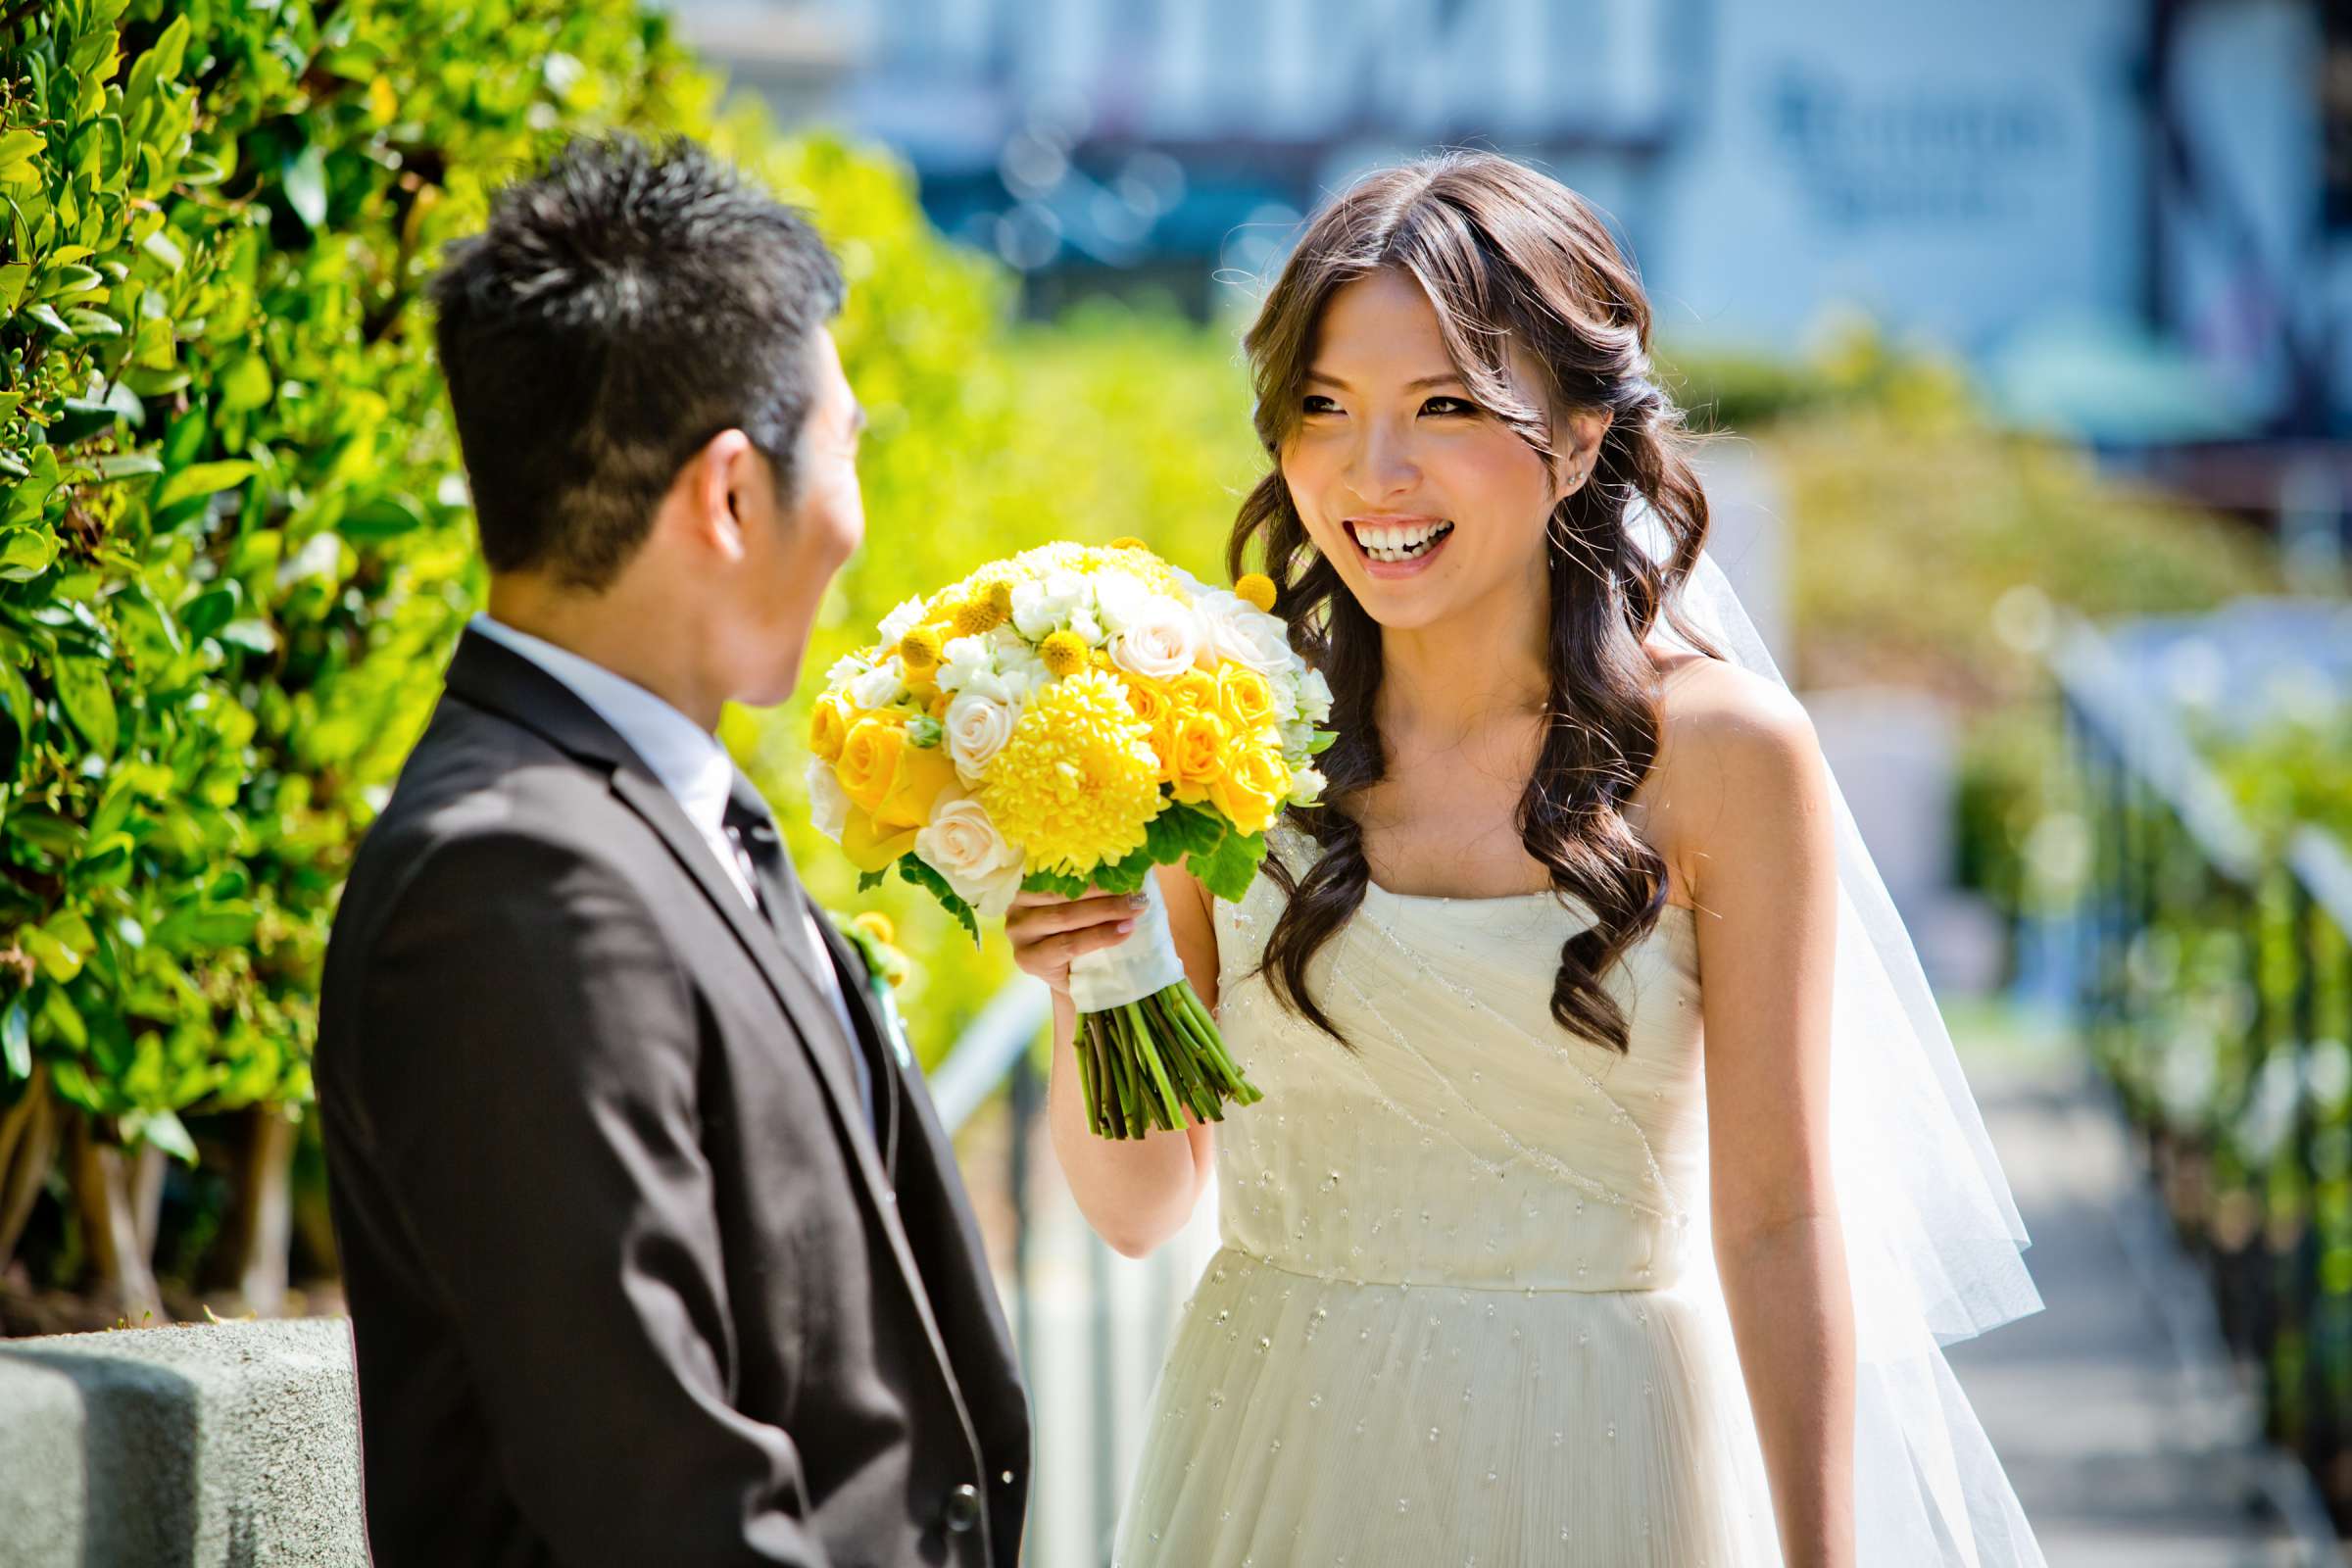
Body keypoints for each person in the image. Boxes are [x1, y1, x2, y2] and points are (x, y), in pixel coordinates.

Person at [1010, 152, 2046, 1565]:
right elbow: (1137, 1210)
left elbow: (1780, 1218)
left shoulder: (1728, 757)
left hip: (1606, 1452)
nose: (1374, 473)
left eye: (1443, 406)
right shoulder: (1211, 733)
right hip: (1272, 1451)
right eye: (1325, 409)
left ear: (1572, 437)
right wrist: (1100, 968)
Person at [316, 134, 1028, 1568]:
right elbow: (665, 1503)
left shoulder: (647, 821)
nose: (855, 509)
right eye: (844, 445)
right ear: (727, 494)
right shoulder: (518, 885)